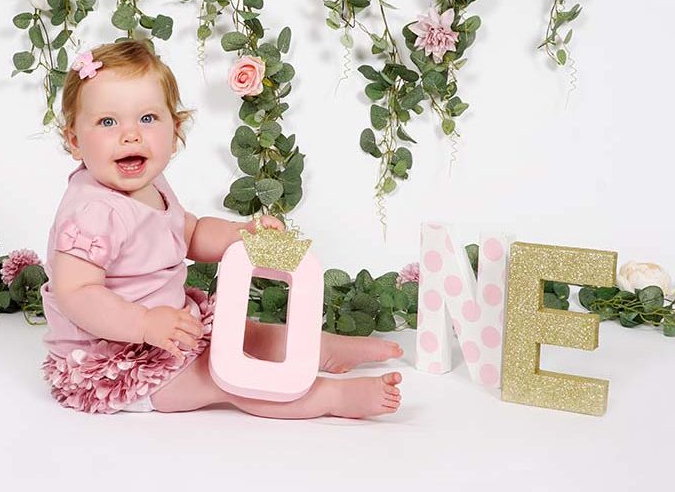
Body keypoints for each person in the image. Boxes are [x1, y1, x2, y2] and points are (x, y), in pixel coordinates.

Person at [40, 40, 404, 418]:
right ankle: (332, 398)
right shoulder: (92, 211)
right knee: (227, 376)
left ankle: (320, 348)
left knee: (245, 334)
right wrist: (144, 323)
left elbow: (190, 233)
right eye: (108, 122)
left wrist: (239, 234)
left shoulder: (151, 185)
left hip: (169, 331)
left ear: (175, 128)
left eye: (147, 119)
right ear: (75, 141)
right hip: (117, 362)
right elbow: (76, 292)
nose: (130, 134)